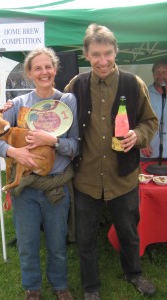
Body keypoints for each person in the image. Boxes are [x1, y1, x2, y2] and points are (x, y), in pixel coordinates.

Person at [64, 24, 158, 300]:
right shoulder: (76, 85)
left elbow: (150, 121)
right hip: (86, 178)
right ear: (86, 55)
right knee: (85, 237)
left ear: (116, 51)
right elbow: (55, 112)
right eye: (96, 54)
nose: (102, 61)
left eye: (107, 53)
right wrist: (18, 108)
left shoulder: (133, 83)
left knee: (128, 231)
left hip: (123, 176)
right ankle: (91, 287)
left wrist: (138, 134)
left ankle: (134, 274)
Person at [0, 47, 78, 300]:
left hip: (55, 187)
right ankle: (32, 289)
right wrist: (15, 153)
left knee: (57, 245)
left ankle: (60, 286)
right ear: (29, 73)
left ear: (55, 69)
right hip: (24, 190)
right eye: (37, 68)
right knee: (27, 245)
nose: (44, 72)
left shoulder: (67, 102)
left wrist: (54, 142)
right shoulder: (18, 104)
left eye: (48, 66)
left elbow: (75, 146)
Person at [140, 60, 167, 159]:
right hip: (150, 154)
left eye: (164, 72)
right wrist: (142, 142)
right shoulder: (144, 94)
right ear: (153, 74)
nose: (160, 76)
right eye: (157, 72)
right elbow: (134, 119)